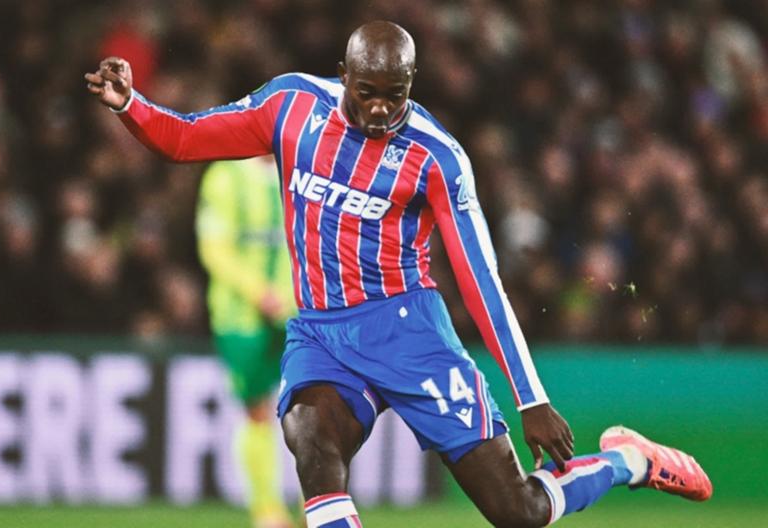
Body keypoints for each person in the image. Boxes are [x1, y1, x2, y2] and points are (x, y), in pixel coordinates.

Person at [86, 21, 712, 528]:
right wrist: (131, 106)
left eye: (396, 94)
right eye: (368, 92)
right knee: (310, 438)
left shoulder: (437, 158)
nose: (382, 108)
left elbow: (481, 280)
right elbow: (187, 139)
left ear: (412, 84)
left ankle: (627, 461)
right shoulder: (291, 106)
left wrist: (532, 397)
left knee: (518, 512)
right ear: (344, 75)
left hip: (409, 333)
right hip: (322, 333)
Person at [196, 156, 297, 528]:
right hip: (241, 318)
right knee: (256, 409)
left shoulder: (300, 166)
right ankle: (267, 511)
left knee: (315, 406)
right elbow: (214, 249)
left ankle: (316, 505)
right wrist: (258, 292)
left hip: (298, 313)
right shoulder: (225, 175)